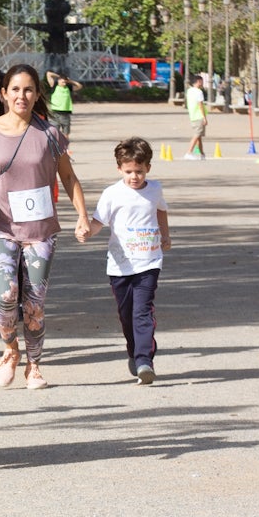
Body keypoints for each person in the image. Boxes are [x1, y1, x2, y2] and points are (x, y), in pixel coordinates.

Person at [0, 64, 90, 390]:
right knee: (6, 295)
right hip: (0, 225)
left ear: (37, 95)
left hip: (40, 230)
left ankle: (34, 365)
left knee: (34, 303)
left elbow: (69, 177)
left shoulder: (49, 134)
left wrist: (82, 216)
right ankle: (10, 349)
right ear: (4, 94)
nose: (22, 95)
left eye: (29, 90)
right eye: (15, 89)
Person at [81, 137, 171, 385]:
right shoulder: (112, 193)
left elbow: (161, 210)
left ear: (148, 168)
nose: (134, 176)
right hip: (120, 266)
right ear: (119, 168)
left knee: (142, 311)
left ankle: (145, 360)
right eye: (129, 171)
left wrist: (166, 235)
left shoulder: (155, 189)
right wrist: (88, 230)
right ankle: (134, 350)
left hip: (149, 263)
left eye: (139, 171)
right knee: (126, 314)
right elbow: (99, 222)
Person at [45, 70, 82, 137]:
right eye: (62, 80)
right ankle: (55, 147)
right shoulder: (54, 86)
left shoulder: (69, 88)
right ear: (58, 80)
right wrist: (59, 76)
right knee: (54, 134)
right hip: (55, 113)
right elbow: (48, 74)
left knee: (66, 134)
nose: (64, 81)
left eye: (65, 80)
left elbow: (79, 86)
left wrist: (69, 81)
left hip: (65, 114)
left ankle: (65, 147)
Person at [184, 75, 208, 160]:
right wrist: (204, 117)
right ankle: (189, 152)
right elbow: (200, 105)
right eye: (202, 81)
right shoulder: (199, 92)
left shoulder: (189, 91)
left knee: (199, 136)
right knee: (197, 135)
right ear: (198, 81)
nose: (203, 83)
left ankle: (202, 154)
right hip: (199, 116)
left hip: (193, 115)